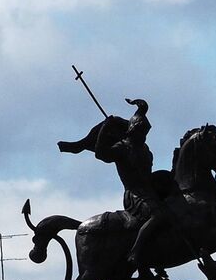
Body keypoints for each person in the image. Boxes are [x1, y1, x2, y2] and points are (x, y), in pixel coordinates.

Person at [57, 98, 175, 267]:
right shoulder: (122, 147)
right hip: (135, 195)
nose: (143, 135)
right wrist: (105, 129)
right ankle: (135, 252)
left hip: (149, 191)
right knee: (158, 216)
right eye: (140, 130)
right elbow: (101, 155)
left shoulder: (145, 149)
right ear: (133, 130)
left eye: (145, 132)